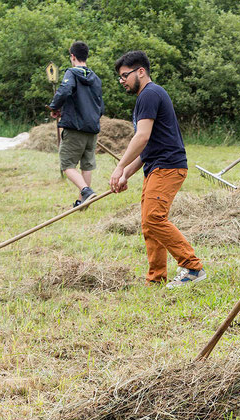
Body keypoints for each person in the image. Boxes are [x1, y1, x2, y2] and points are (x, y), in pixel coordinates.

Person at [109, 50, 206, 289]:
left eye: (125, 75)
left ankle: (192, 267)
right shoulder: (147, 97)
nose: (122, 81)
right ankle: (156, 278)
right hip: (156, 166)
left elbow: (141, 137)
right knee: (148, 222)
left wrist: (119, 166)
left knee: (154, 218)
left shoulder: (150, 94)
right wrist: (125, 174)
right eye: (120, 77)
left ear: (140, 71)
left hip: (168, 167)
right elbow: (148, 148)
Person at [49, 41, 104, 208]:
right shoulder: (96, 78)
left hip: (75, 129)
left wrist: (54, 107)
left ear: (72, 56)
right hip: (92, 129)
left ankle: (86, 191)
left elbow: (65, 91)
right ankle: (82, 202)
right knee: (86, 165)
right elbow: (100, 105)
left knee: (67, 165)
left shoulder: (71, 74)